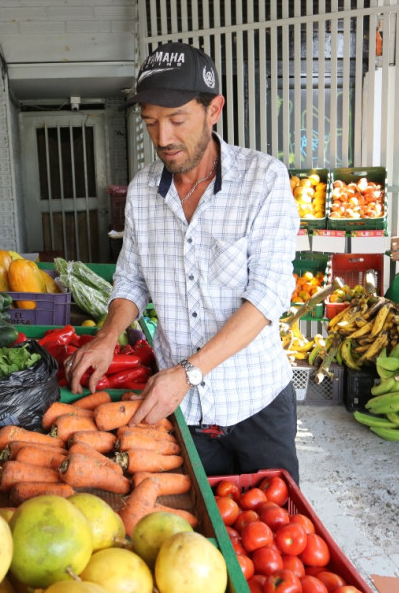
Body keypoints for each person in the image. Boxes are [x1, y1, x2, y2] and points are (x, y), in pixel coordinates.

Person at [65, 42, 302, 483]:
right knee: (196, 541)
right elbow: (131, 279)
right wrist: (108, 336)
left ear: (214, 109)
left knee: (276, 529)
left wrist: (189, 373)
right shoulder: (141, 192)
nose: (164, 138)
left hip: (257, 403)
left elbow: (268, 296)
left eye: (177, 120)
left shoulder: (263, 180)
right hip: (183, 410)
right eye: (151, 122)